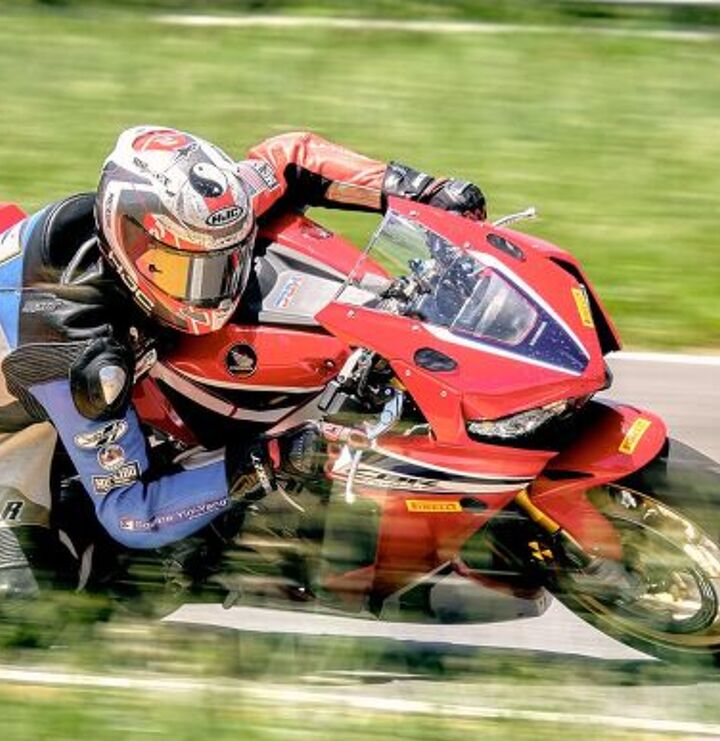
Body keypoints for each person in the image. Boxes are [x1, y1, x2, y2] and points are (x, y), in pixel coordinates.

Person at [0, 126, 487, 598]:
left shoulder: (193, 221)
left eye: (226, 263)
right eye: (190, 272)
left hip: (85, 351)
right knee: (48, 591)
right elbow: (132, 512)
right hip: (24, 420)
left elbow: (291, 158)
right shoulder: (77, 349)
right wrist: (268, 460)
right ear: (133, 248)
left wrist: (419, 190)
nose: (214, 290)